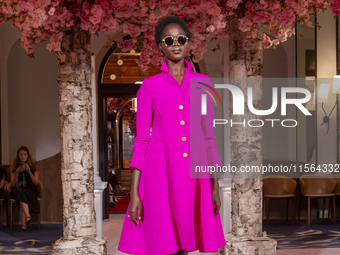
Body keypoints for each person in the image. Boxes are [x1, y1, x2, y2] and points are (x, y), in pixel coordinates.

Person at [118, 16, 226, 255]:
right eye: (169, 40)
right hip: (159, 171)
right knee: (165, 241)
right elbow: (142, 140)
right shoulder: (149, 86)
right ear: (160, 46)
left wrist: (215, 184)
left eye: (181, 39)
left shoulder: (203, 83)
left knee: (188, 239)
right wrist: (134, 192)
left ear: (188, 44)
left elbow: (209, 136)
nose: (175, 44)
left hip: (194, 172)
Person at [9, 146, 40, 231]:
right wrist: (17, 172)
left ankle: (24, 224)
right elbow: (13, 183)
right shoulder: (15, 167)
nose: (23, 157)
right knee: (21, 193)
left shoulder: (33, 166)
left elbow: (36, 182)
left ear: (28, 155)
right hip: (18, 189)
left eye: (24, 155)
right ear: (18, 156)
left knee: (22, 196)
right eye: (21, 155)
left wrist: (29, 172)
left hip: (30, 190)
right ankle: (28, 216)